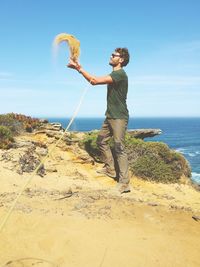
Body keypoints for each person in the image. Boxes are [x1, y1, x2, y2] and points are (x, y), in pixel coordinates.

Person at [67, 47, 130, 193]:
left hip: (119, 117)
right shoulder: (114, 74)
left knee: (119, 148)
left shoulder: (120, 74)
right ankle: (110, 169)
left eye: (114, 55)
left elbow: (94, 81)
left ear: (121, 60)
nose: (111, 56)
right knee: (101, 140)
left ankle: (124, 183)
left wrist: (79, 68)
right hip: (110, 115)